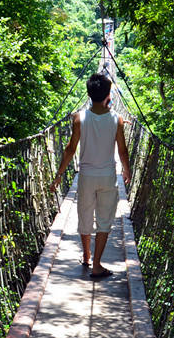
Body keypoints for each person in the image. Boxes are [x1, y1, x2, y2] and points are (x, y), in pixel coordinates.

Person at [49, 73, 131, 278]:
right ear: (107, 95)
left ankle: (86, 256)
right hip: (108, 177)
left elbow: (70, 149)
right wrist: (126, 169)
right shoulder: (116, 119)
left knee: (84, 216)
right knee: (104, 220)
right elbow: (122, 151)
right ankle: (97, 264)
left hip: (86, 176)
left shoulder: (79, 118)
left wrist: (59, 174)